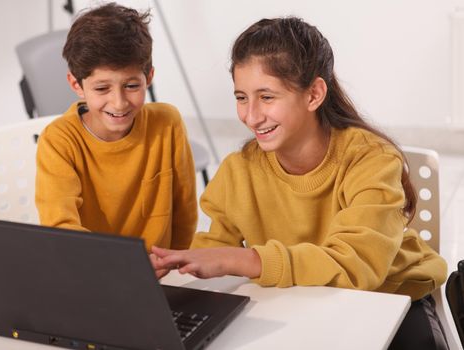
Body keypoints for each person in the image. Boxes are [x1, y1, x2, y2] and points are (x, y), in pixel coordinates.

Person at [152, 16, 449, 349]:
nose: (251, 116)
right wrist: (172, 262)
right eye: (241, 97)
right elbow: (215, 246)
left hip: (390, 297)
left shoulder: (371, 159)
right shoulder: (240, 170)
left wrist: (247, 259)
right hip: (303, 300)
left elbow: (357, 266)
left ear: (314, 95)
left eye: (266, 97)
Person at [35, 3, 197, 253]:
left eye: (132, 86)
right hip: (93, 273)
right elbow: (60, 228)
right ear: (76, 85)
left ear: (149, 78)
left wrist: (176, 266)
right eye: (102, 89)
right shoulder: (58, 141)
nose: (119, 103)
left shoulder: (167, 123)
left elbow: (184, 215)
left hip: (161, 276)